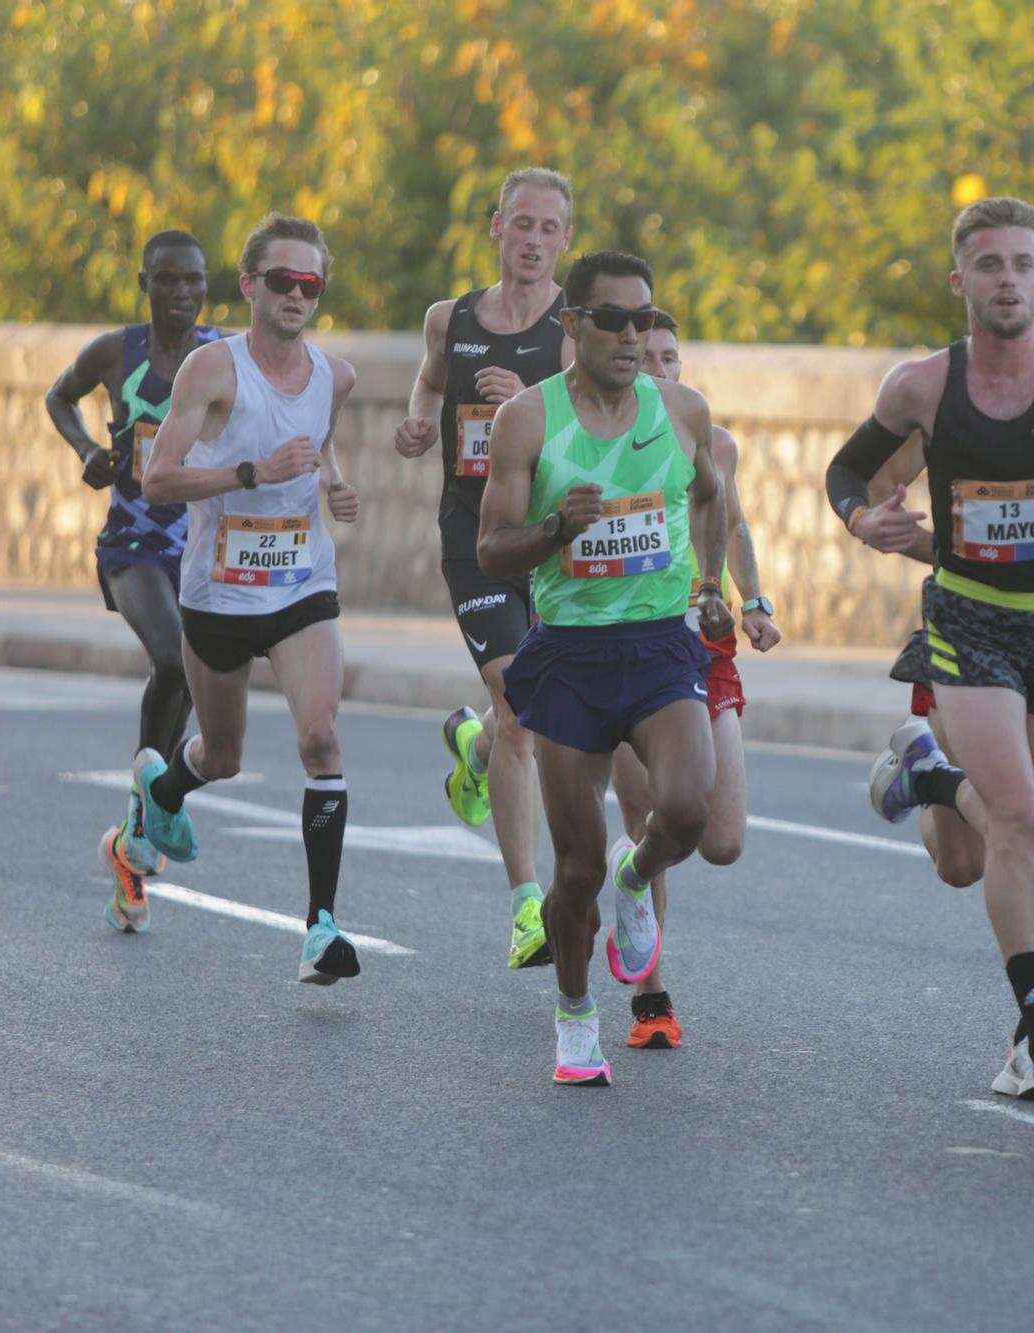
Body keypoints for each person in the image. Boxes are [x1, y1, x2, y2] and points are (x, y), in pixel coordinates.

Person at [825, 198, 1034, 1120]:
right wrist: (865, 519)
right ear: (960, 281)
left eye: (1024, 265)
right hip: (969, 619)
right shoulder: (923, 386)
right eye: (989, 265)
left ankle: (925, 775)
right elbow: (850, 472)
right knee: (1024, 818)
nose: (1011, 281)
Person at [477, 251, 732, 1086]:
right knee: (575, 864)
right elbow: (489, 548)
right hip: (573, 655)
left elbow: (710, 496)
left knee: (687, 811)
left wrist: (708, 583)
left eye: (646, 319)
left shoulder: (683, 410)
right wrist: (553, 531)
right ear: (574, 325)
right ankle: (575, 1011)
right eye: (615, 319)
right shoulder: (527, 420)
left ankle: (641, 869)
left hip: (660, 645)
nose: (634, 335)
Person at [114, 214, 363, 984]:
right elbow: (157, 478)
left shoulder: (336, 375)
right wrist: (249, 473)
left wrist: (332, 481)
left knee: (320, 739)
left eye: (309, 283)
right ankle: (155, 791)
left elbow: (316, 441)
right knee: (219, 757)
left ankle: (320, 928)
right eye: (281, 280)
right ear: (250, 284)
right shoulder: (211, 372)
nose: (296, 294)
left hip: (300, 585)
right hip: (219, 594)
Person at [393, 167, 574, 969]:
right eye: (521, 223)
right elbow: (430, 381)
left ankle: (473, 750)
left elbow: (599, 426)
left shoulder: (579, 329)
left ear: (565, 240)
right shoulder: (451, 319)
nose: (532, 240)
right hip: (475, 539)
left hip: (553, 544)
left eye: (549, 228)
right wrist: (416, 421)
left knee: (516, 717)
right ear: (496, 227)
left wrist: (532, 394)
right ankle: (527, 909)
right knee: (521, 706)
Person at [609, 312, 782, 1050]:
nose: (659, 370)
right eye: (644, 358)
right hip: (617, 646)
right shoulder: (597, 442)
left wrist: (757, 600)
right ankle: (652, 999)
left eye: (670, 357)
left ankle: (632, 871)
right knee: (648, 805)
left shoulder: (712, 441)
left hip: (700, 649)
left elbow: (733, 522)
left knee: (722, 839)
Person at [46, 229, 221, 932]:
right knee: (174, 657)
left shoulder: (221, 356)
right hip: (132, 546)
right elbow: (59, 397)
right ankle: (153, 805)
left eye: (194, 281)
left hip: (202, 546)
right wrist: (89, 448)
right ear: (143, 281)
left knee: (197, 680)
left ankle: (134, 832)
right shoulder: (117, 353)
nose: (182, 293)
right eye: (168, 280)